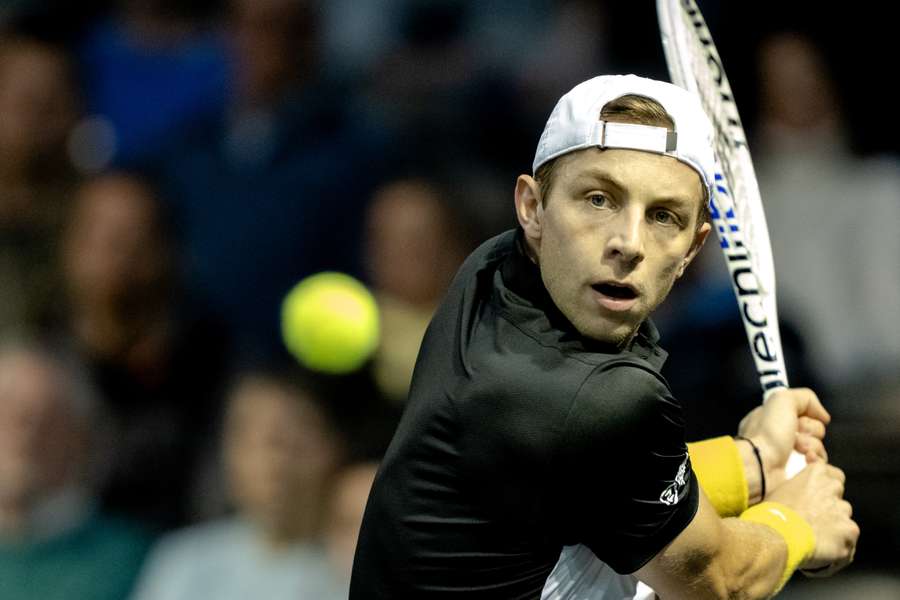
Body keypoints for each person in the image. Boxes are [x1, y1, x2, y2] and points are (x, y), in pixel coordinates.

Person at [350, 75, 858, 599]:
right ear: (532, 207)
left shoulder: (489, 273)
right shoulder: (601, 399)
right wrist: (798, 522)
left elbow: (601, 483)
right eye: (598, 199)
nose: (628, 242)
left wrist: (754, 460)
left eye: (663, 216)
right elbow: (718, 581)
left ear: (693, 247)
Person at [130, 367, 347, 600]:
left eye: (292, 434)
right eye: (247, 433)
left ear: (335, 445)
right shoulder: (182, 560)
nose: (272, 455)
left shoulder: (353, 570)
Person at [0, 338, 152, 600]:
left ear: (80, 439)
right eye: (5, 408)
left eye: (46, 415)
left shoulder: (136, 563)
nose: (22, 430)